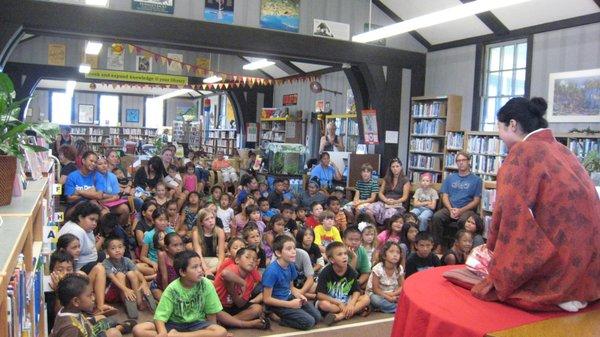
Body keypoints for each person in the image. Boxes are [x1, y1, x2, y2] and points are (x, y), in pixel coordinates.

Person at [471, 97, 600, 312]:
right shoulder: (561, 149)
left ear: (512, 125)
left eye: (500, 129)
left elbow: (509, 211)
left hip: (560, 268)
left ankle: (558, 289)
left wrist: (492, 247)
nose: (499, 136)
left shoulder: (523, 153)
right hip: (589, 263)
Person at [132, 251, 229, 337]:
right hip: (173, 324)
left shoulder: (206, 284)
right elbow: (160, 317)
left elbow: (211, 313)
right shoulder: (172, 289)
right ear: (182, 272)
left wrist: (214, 331)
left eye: (200, 265)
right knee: (138, 330)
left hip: (197, 324)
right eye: (195, 267)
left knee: (220, 331)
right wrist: (162, 333)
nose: (200, 270)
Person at [57, 202, 116, 315]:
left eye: (96, 221)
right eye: (91, 219)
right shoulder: (76, 232)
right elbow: (72, 263)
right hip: (79, 270)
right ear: (80, 217)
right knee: (100, 268)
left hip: (88, 262)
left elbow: (91, 249)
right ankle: (99, 306)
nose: (94, 223)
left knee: (108, 257)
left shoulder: (83, 228)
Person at [262, 235, 322, 330]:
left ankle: (291, 312)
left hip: (289, 298)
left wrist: (299, 295)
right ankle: (276, 317)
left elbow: (291, 287)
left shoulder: (291, 265)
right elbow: (266, 299)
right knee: (309, 322)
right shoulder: (271, 271)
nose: (293, 251)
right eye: (289, 249)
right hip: (277, 304)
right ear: (278, 253)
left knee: (317, 317)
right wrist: (290, 305)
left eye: (294, 248)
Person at [429, 151, 482, 251]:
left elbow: (476, 201)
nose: (461, 163)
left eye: (463, 160)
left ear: (469, 162)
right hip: (450, 208)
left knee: (463, 222)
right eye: (458, 161)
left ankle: (458, 248)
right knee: (436, 217)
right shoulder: (450, 178)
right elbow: (445, 196)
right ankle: (438, 246)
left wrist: (461, 210)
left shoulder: (477, 180)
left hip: (466, 210)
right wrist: (450, 209)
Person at [50, 274, 124, 337]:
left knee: (105, 318)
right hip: (86, 332)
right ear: (76, 301)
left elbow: (84, 322)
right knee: (114, 333)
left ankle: (121, 326)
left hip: (87, 330)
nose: (93, 298)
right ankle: (120, 327)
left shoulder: (69, 309)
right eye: (89, 295)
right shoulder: (71, 329)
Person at [213, 248, 268, 329]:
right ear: (237, 260)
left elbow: (240, 304)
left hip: (232, 306)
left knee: (258, 308)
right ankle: (243, 323)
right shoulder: (233, 268)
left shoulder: (250, 279)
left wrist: (232, 291)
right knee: (216, 313)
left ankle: (226, 322)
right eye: (247, 257)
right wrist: (242, 282)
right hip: (219, 305)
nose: (252, 261)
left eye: (255, 259)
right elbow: (225, 274)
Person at [317, 241, 370, 326]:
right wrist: (338, 303)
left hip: (346, 300)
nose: (344, 256)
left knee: (366, 298)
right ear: (331, 260)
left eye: (345, 254)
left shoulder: (351, 271)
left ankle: (339, 316)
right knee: (323, 304)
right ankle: (354, 311)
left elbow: (356, 291)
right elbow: (320, 295)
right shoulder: (325, 272)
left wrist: (351, 304)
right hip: (333, 302)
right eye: (340, 254)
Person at [103, 237, 154, 319]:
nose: (117, 250)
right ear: (107, 252)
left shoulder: (126, 260)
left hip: (128, 291)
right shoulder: (106, 263)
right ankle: (127, 304)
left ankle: (139, 302)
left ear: (124, 249)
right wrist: (125, 289)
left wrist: (144, 283)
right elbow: (113, 278)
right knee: (120, 275)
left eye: (120, 247)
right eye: (113, 248)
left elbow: (137, 272)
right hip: (112, 292)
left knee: (131, 273)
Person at [369, 158, 410, 224]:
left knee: (389, 213)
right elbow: (380, 193)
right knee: (369, 209)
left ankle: (386, 230)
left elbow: (405, 197)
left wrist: (395, 201)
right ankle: (375, 227)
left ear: (401, 167)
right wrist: (385, 200)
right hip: (385, 202)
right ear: (390, 168)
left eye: (397, 166)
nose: (395, 168)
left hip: (398, 204)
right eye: (393, 167)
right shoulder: (386, 178)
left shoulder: (405, 180)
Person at [366, 241, 404, 313]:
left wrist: (393, 294)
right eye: (391, 252)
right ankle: (397, 308)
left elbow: (402, 286)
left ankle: (385, 308)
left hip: (393, 292)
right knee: (375, 299)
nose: (395, 255)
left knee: (406, 295)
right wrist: (389, 298)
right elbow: (376, 289)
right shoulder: (378, 269)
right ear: (384, 255)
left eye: (398, 252)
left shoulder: (399, 268)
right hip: (379, 294)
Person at [95, 156, 130, 227]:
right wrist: (111, 197)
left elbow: (116, 196)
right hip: (98, 205)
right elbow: (97, 198)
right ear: (95, 166)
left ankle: (117, 228)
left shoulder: (112, 176)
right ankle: (104, 234)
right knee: (105, 214)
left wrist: (106, 197)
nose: (103, 166)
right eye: (100, 164)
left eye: (105, 163)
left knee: (125, 209)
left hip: (112, 203)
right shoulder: (93, 177)